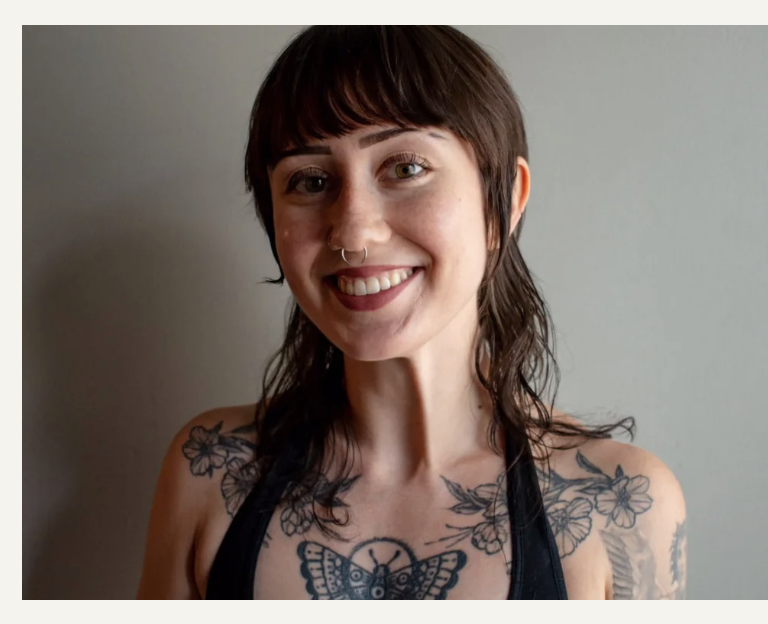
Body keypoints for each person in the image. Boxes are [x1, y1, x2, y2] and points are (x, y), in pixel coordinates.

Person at [136, 25, 686, 600]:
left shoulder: (620, 507)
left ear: (504, 202)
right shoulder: (211, 470)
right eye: (311, 180)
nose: (353, 233)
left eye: (404, 168)